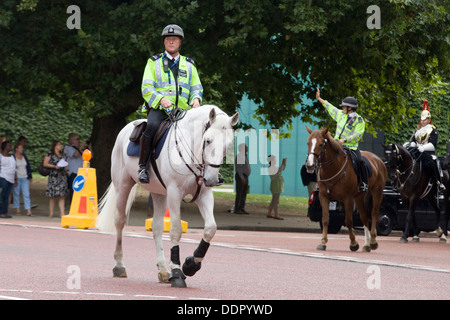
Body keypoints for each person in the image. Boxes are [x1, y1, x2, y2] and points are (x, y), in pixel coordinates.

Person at [138, 24, 203, 183]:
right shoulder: (153, 62)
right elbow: (146, 87)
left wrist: (196, 99)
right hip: (160, 110)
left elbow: (196, 87)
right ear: (164, 42)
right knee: (151, 126)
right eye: (168, 39)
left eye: (174, 39)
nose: (171, 42)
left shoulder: (189, 64)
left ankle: (206, 170)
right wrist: (160, 99)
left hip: (183, 111)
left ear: (180, 42)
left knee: (203, 132)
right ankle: (142, 167)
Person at [316, 88, 368, 192]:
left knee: (361, 161)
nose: (342, 107)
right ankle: (321, 182)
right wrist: (319, 98)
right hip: (337, 145)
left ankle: (363, 183)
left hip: (351, 147)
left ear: (350, 108)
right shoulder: (341, 114)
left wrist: (345, 140)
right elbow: (329, 107)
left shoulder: (359, 120)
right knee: (321, 156)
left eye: (344, 106)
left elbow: (357, 135)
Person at [404, 109, 445, 192]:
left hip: (428, 152)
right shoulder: (417, 130)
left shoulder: (432, 130)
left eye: (424, 120)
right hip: (417, 151)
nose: (422, 121)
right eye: (421, 120)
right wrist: (412, 145)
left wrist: (423, 148)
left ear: (429, 120)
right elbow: (413, 141)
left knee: (432, 163)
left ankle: (438, 182)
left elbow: (433, 144)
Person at [44, 141, 68, 218]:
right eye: (59, 145)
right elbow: (45, 163)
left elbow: (66, 164)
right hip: (54, 177)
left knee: (62, 195)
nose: (61, 146)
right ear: (55, 146)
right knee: (53, 196)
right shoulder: (50, 154)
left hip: (62, 176)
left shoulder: (63, 155)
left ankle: (62, 213)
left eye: (61, 144)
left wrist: (67, 170)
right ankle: (51, 213)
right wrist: (54, 166)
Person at [12, 143, 33, 216]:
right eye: (20, 148)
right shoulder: (13, 157)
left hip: (24, 177)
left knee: (26, 194)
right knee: (16, 194)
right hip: (17, 178)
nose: (22, 149)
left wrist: (30, 176)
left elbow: (28, 167)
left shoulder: (24, 157)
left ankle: (28, 210)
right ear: (16, 149)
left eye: (22, 148)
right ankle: (17, 209)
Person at [64, 133, 83, 203]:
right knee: (74, 191)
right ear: (71, 140)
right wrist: (81, 147)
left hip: (82, 173)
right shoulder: (68, 148)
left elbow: (90, 156)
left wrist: (89, 147)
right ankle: (73, 206)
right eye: (77, 139)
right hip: (74, 173)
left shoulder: (80, 149)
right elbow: (75, 155)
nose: (79, 141)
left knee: (81, 191)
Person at [0, 141, 17, 218]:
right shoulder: (1, 156)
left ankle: (4, 212)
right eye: (9, 145)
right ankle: (2, 212)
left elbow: (14, 168)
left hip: (11, 178)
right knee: (2, 195)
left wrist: (15, 179)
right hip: (3, 177)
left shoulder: (12, 156)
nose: (11, 147)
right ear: (4, 147)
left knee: (7, 196)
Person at [267, 155, 287, 220]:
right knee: (276, 200)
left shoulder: (273, 167)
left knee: (274, 200)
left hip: (276, 185)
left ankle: (269, 212)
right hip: (276, 185)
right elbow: (280, 170)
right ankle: (276, 214)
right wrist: (283, 163)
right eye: (274, 159)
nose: (275, 161)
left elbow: (282, 169)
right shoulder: (271, 168)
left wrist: (284, 163)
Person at [234, 143, 251, 215]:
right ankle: (237, 208)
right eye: (245, 147)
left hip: (245, 176)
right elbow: (239, 167)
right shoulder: (240, 156)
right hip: (241, 176)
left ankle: (242, 208)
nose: (247, 148)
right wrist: (241, 177)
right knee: (240, 193)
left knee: (244, 193)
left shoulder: (244, 156)